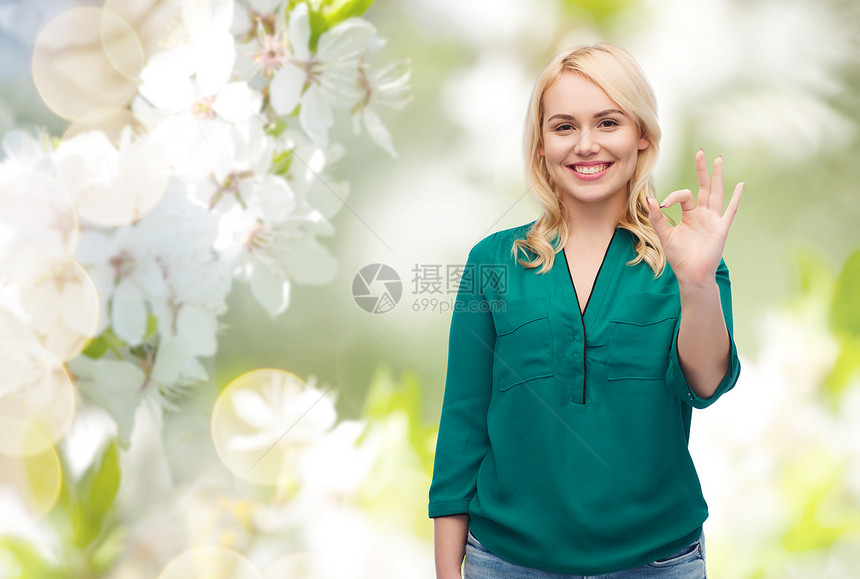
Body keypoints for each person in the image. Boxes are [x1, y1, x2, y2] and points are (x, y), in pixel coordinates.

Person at [428, 43, 744, 578]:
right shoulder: (494, 262)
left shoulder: (685, 258)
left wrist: (695, 283)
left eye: (608, 122)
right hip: (507, 561)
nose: (587, 145)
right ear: (541, 145)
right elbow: (462, 424)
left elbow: (706, 383)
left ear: (641, 135)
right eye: (564, 127)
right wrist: (445, 570)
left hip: (657, 560)